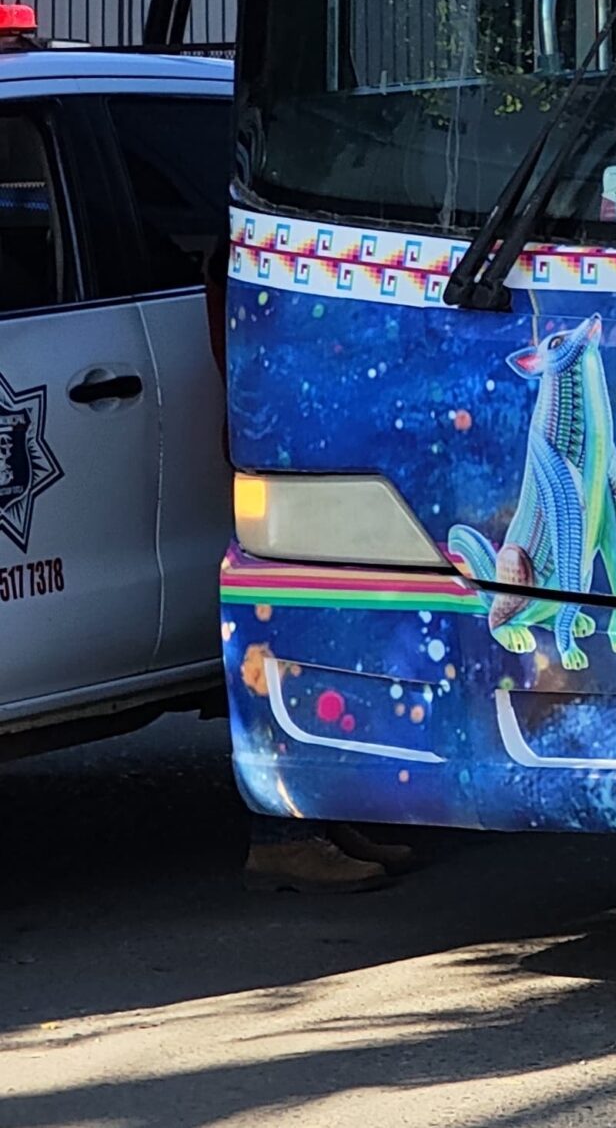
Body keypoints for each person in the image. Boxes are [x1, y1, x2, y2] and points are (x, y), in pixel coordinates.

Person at [205, 253, 417, 893]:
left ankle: (322, 814)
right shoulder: (258, 258)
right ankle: (284, 834)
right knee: (286, 640)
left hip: (301, 441)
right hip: (286, 447)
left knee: (334, 636)